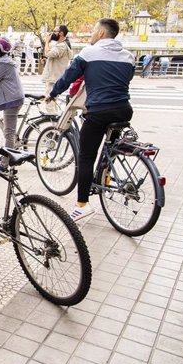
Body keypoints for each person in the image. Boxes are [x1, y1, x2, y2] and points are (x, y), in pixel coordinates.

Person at [46, 18, 135, 221]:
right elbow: (125, 79)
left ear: (102, 33)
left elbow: (68, 77)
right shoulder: (128, 56)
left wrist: (53, 93)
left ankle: (82, 205)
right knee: (110, 148)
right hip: (123, 110)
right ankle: (106, 175)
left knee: (86, 156)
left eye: (94, 31)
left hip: (98, 112)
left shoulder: (88, 53)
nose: (92, 34)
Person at [0, 37, 25, 171]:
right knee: (8, 131)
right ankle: (7, 156)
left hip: (11, 100)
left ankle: (4, 164)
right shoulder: (5, 62)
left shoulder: (3, 63)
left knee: (8, 133)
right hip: (13, 98)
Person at [42, 25, 73, 110]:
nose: (52, 34)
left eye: (55, 31)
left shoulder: (62, 46)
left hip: (54, 78)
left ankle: (51, 120)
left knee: (49, 103)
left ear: (61, 33)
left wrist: (47, 42)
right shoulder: (61, 45)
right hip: (55, 77)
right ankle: (54, 121)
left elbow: (48, 53)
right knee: (52, 102)